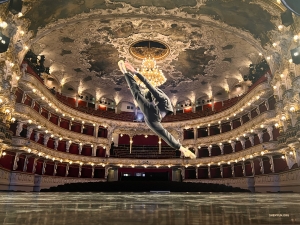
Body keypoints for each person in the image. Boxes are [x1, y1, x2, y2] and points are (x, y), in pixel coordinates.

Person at [118, 60, 196, 159]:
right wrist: (134, 86)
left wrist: (134, 71)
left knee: (137, 94)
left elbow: (147, 84)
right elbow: (143, 91)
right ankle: (181, 148)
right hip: (153, 118)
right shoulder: (154, 99)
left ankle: (125, 72)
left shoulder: (159, 96)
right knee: (163, 133)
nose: (146, 98)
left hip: (154, 114)